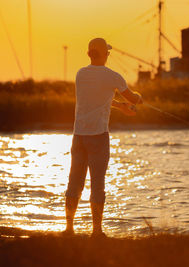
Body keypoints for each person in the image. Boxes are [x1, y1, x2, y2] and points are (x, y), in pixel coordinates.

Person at [64, 37, 143, 238]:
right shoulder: (113, 76)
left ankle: (69, 229)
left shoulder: (80, 74)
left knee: (74, 182)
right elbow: (133, 98)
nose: (108, 54)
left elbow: (98, 99)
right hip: (98, 136)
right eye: (107, 52)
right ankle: (97, 231)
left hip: (78, 135)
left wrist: (119, 106)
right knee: (97, 183)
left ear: (90, 53)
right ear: (105, 54)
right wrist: (137, 99)